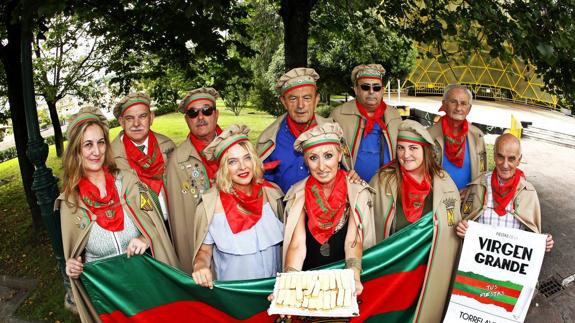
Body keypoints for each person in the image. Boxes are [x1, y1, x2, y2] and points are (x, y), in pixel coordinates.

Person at [57, 106, 178, 322]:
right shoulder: (70, 202)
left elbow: (156, 222)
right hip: (109, 295)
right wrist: (72, 265)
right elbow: (74, 251)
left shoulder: (128, 182)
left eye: (101, 142)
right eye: (88, 145)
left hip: (146, 282)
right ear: (76, 150)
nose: (97, 151)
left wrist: (145, 238)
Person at [370, 119, 461, 322]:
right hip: (392, 272)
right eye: (401, 148)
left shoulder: (444, 183)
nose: (406, 155)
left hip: (429, 272)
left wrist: (463, 229)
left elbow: (453, 227)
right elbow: (365, 221)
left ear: (425, 150)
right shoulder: (383, 180)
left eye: (413, 148)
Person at [283, 123, 376, 296]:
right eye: (313, 158)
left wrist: (354, 278)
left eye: (328, 156)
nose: (321, 167)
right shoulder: (298, 195)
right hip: (307, 282)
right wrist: (289, 284)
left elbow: (352, 242)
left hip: (344, 279)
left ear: (340, 155)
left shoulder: (356, 192)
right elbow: (297, 245)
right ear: (305, 160)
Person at [191, 125, 284, 288]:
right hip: (237, 294)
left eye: (247, 158)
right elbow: (204, 251)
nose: (243, 167)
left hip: (274, 290)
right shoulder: (210, 205)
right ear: (223, 168)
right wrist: (200, 266)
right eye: (232, 162)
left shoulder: (273, 193)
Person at [256, 67, 351, 193]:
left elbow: (345, 172)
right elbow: (260, 183)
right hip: (283, 211)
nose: (300, 105)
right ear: (283, 102)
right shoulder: (269, 139)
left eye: (307, 98)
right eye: (293, 99)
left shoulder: (332, 132)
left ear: (316, 100)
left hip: (328, 210)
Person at [456, 133, 554, 252]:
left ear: (519, 160)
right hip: (478, 262)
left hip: (510, 267)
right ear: (494, 156)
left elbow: (532, 235)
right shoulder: (478, 186)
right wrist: (462, 229)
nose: (505, 164)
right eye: (500, 157)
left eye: (511, 158)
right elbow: (465, 223)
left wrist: (543, 243)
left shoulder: (528, 193)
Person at [166, 87, 223, 274]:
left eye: (206, 110)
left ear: (216, 114)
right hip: (201, 239)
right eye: (193, 113)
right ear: (186, 120)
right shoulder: (178, 159)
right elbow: (179, 219)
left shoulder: (237, 149)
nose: (200, 117)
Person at [110, 92, 175, 232]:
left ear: (151, 118)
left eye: (142, 116)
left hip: (174, 223)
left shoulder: (167, 145)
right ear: (121, 122)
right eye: (129, 118)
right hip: (139, 231)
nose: (136, 124)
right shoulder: (111, 158)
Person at [331, 64, 402, 182]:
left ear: (382, 90)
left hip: (388, 187)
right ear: (356, 89)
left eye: (376, 88)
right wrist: (342, 174)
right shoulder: (339, 115)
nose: (371, 92)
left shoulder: (394, 116)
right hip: (351, 187)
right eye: (365, 87)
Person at [428, 85, 486, 193]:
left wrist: (470, 190)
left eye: (463, 103)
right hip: (437, 201)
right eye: (453, 102)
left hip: (468, 201)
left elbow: (482, 173)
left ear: (469, 109)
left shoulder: (477, 136)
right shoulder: (429, 136)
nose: (458, 108)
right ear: (444, 104)